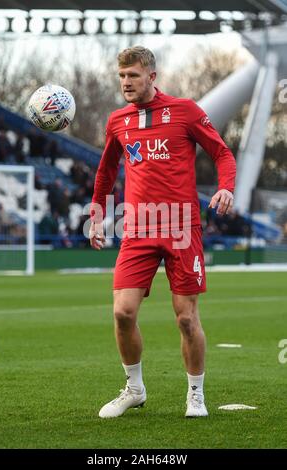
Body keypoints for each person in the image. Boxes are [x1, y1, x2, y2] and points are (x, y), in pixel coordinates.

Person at [89, 46, 236, 419]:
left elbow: (222, 153)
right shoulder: (118, 121)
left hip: (182, 228)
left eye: (133, 76)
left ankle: (195, 393)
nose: (126, 83)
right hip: (136, 228)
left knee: (186, 318)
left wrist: (226, 186)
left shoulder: (184, 111)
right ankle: (134, 388)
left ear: (151, 77)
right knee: (122, 312)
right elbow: (106, 172)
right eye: (122, 76)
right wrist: (97, 212)